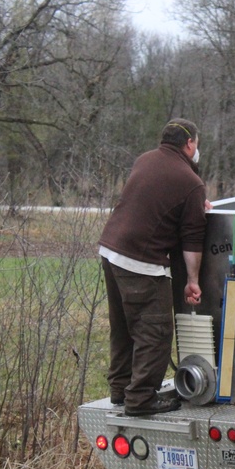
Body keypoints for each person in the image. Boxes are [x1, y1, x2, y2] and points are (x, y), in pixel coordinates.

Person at [98, 118, 207, 416]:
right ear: (189, 144)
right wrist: (192, 280)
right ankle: (141, 399)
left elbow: (156, 200)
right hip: (141, 261)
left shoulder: (145, 160)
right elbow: (192, 239)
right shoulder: (191, 182)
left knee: (122, 326)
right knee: (154, 331)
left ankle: (120, 390)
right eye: (197, 144)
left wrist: (197, 203)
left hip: (111, 249)